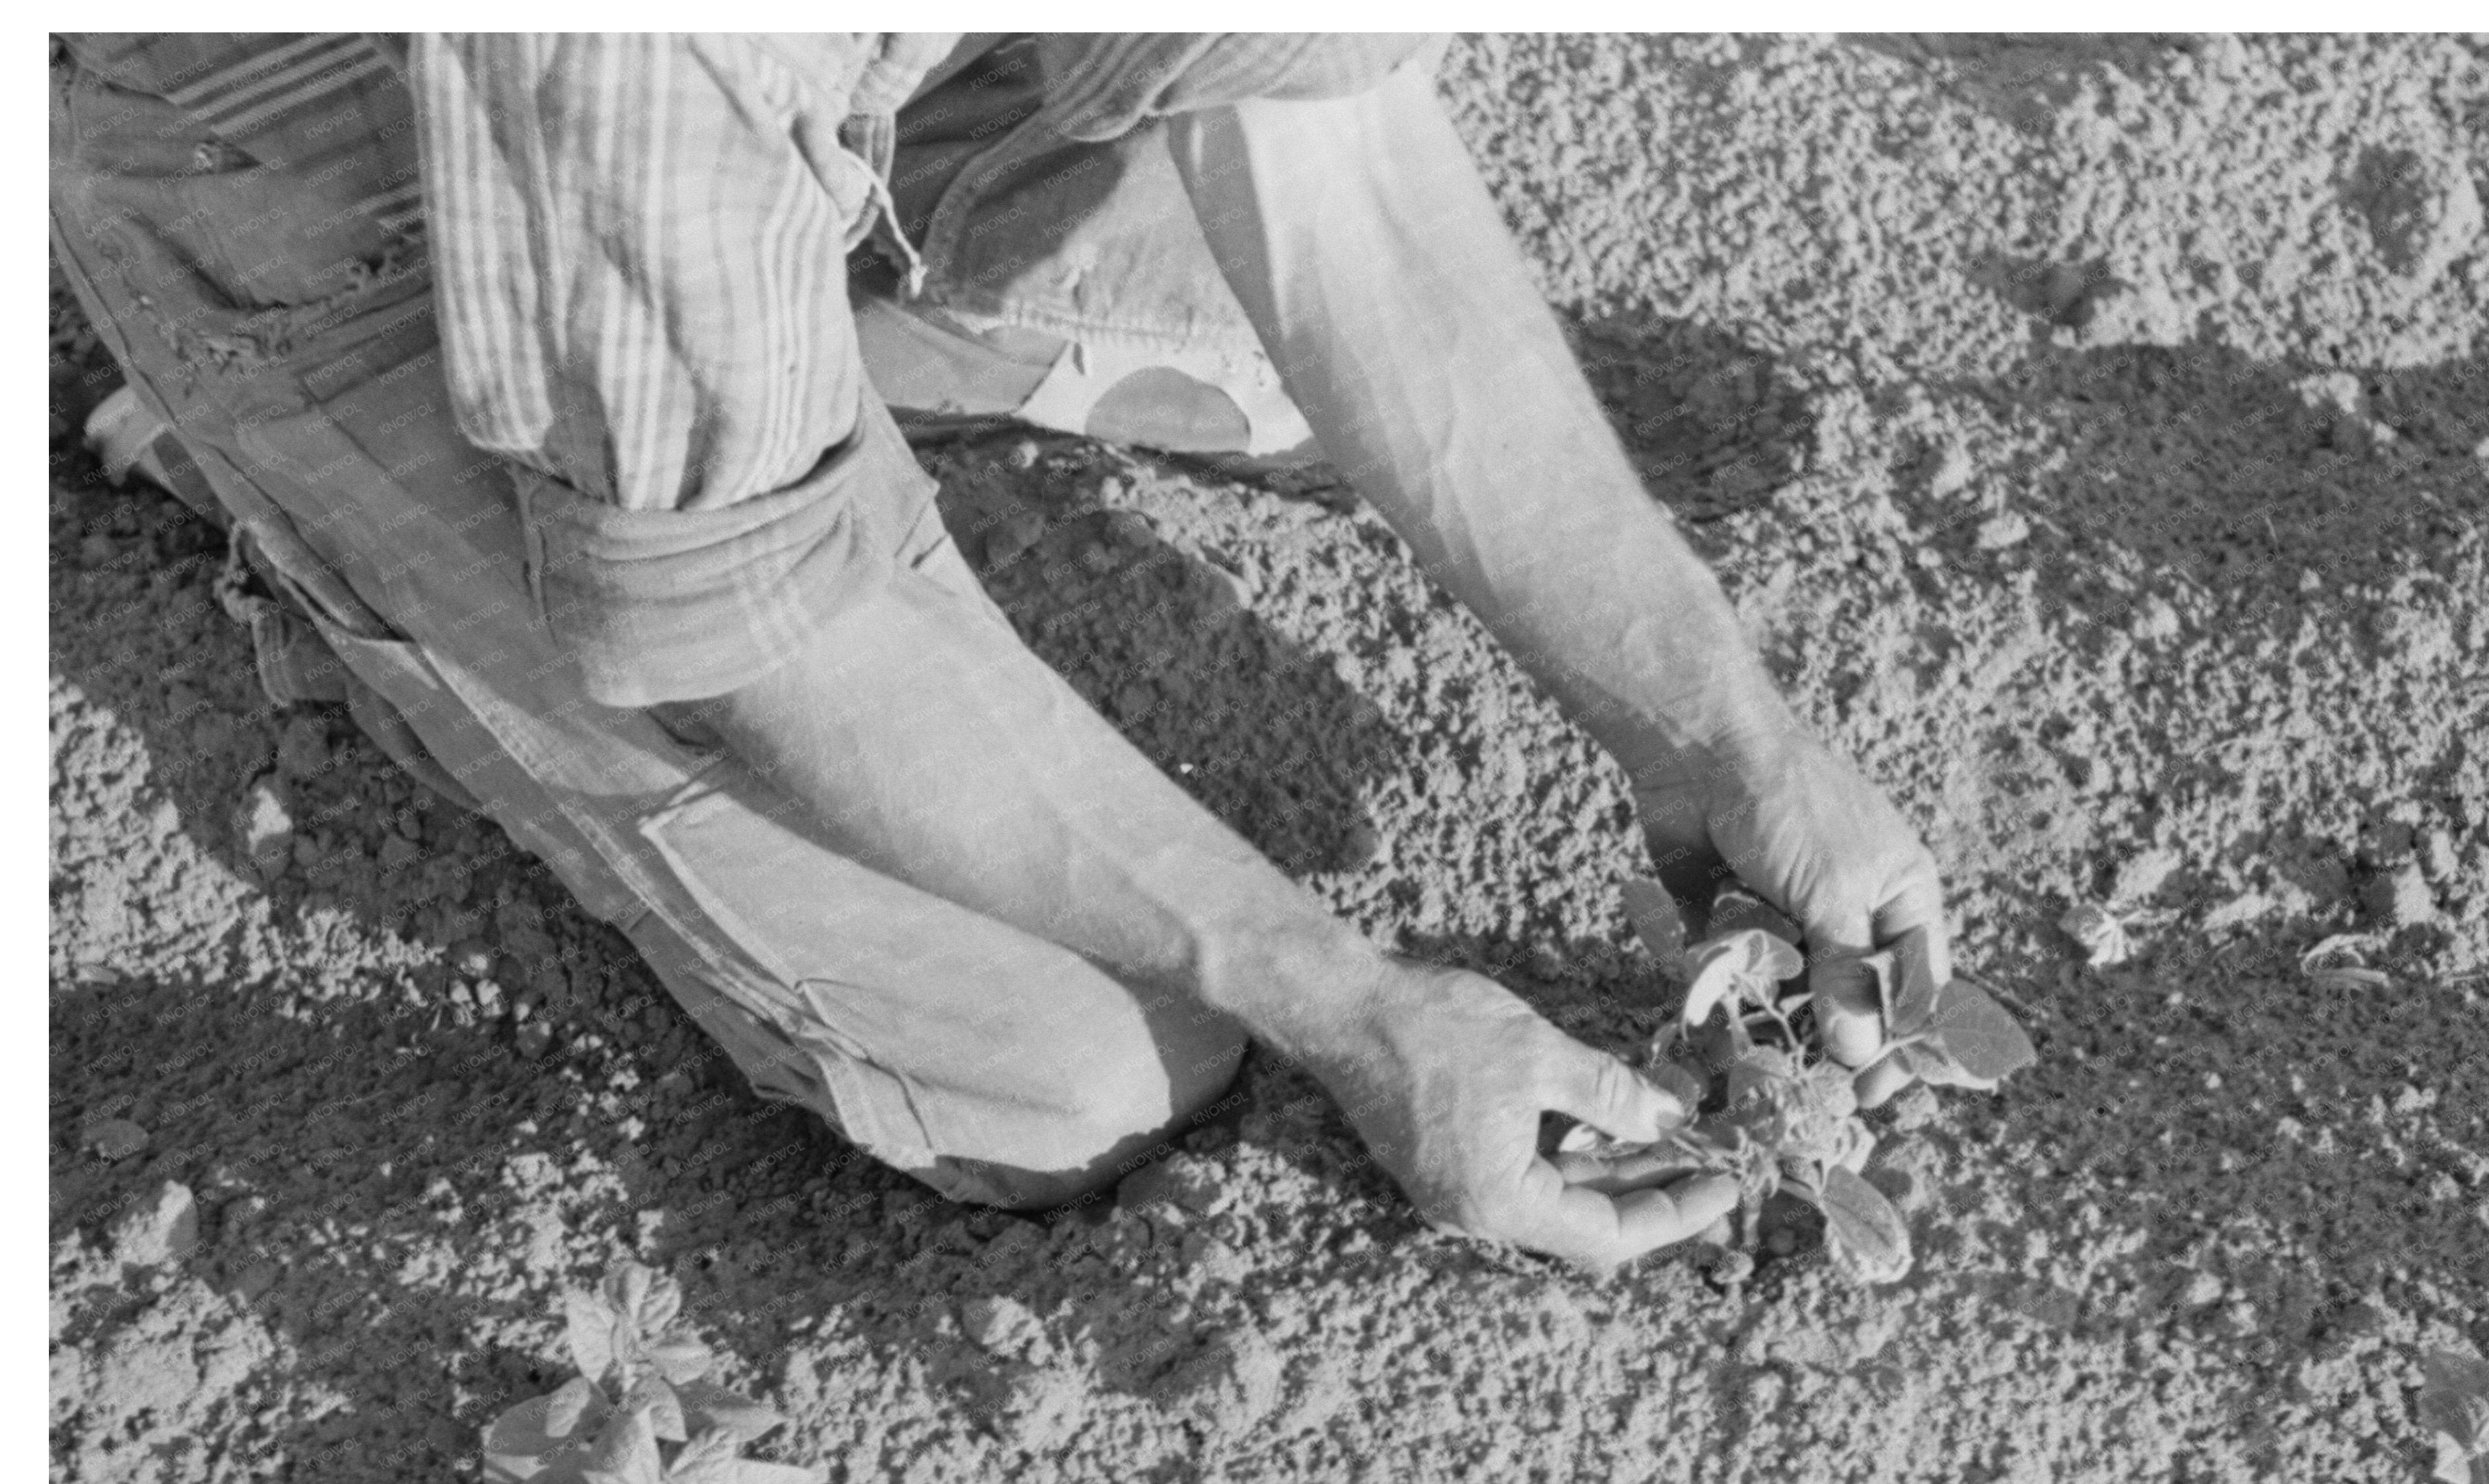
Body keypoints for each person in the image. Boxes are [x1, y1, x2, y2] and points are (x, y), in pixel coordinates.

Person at [52, 32, 1948, 1269]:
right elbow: (752, 632)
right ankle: (302, 463)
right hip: (321, 147)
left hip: (806, 101)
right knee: (1076, 1072)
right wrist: (1357, 1009)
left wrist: (1723, 734)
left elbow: (1327, 158)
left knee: (1252, 319)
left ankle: (805, 348)